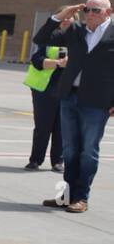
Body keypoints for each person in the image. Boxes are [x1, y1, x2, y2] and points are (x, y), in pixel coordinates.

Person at [33, 0, 114, 213]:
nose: (90, 13)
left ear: (108, 12)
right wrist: (62, 14)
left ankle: (81, 198)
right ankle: (66, 196)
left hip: (97, 102)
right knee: (69, 150)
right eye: (87, 9)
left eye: (96, 10)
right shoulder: (76, 29)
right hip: (69, 97)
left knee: (88, 151)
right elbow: (41, 37)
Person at [23, 16, 72, 172]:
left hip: (68, 89)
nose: (67, 20)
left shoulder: (81, 39)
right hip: (45, 87)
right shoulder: (51, 38)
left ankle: (58, 161)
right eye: (64, 17)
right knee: (43, 126)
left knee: (62, 127)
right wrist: (57, 63)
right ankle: (35, 159)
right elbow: (36, 60)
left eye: (71, 18)